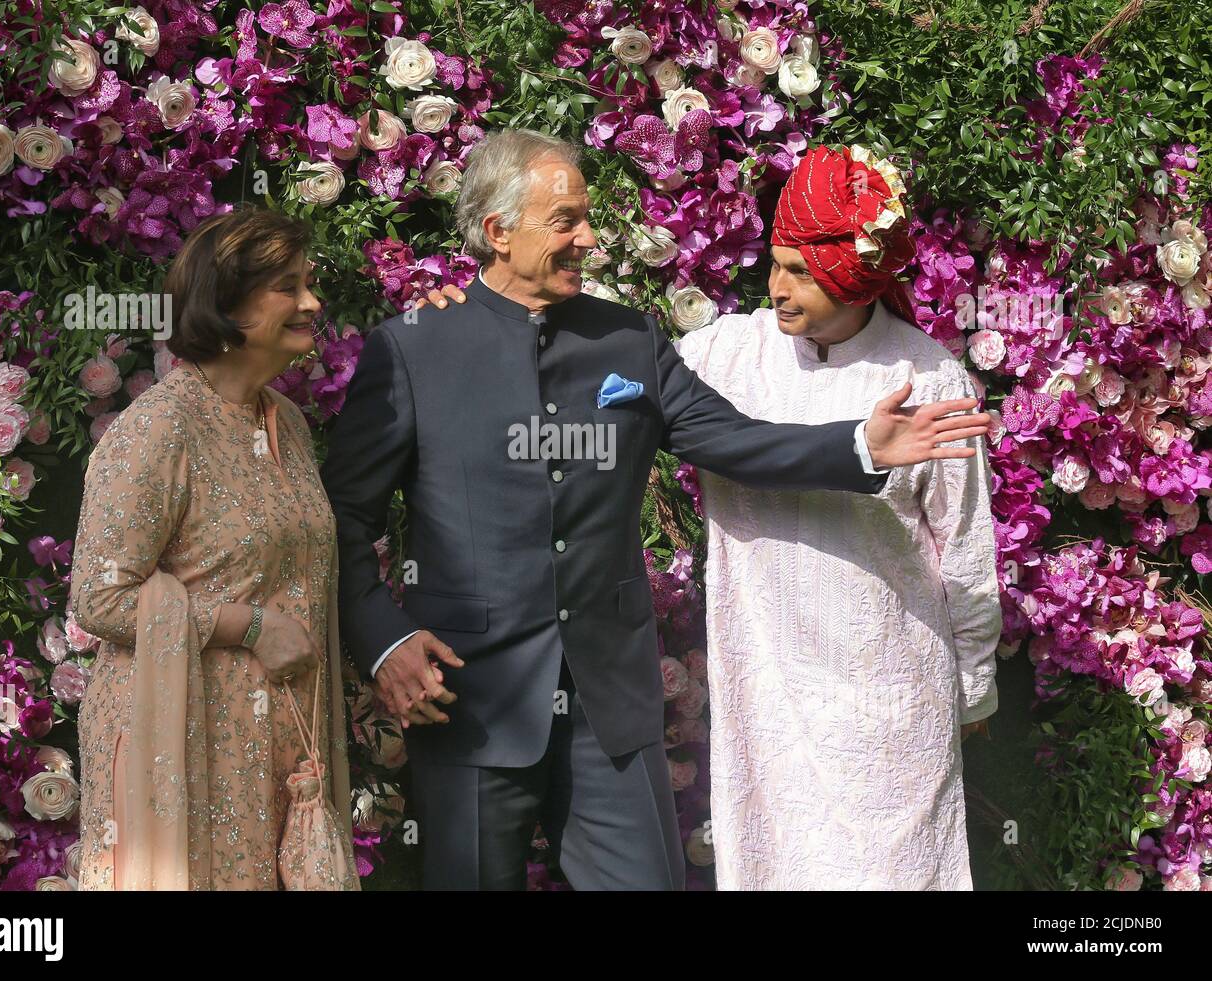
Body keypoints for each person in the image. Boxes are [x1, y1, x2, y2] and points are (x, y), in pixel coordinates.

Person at [324, 129, 990, 891]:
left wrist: (861, 446)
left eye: (586, 216)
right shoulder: (411, 349)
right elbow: (343, 517)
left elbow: (734, 440)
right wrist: (383, 640)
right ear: (498, 232)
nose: (588, 236)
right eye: (566, 220)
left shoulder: (628, 340)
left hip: (611, 708)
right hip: (471, 701)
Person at [674, 144, 1001, 889]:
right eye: (777, 262)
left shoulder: (927, 376)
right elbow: (612, 376)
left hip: (888, 701)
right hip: (769, 695)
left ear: (853, 279)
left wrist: (972, 682)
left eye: (800, 272)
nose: (776, 287)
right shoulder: (728, 353)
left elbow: (966, 547)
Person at [68, 208, 361, 890]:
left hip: (284, 750)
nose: (312, 303)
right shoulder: (158, 429)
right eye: (288, 287)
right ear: (225, 304)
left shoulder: (285, 421)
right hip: (190, 751)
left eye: (310, 283)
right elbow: (99, 596)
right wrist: (249, 625)